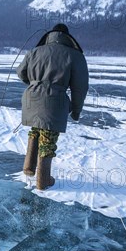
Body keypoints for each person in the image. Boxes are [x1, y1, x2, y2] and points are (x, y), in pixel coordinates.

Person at [16, 24, 89, 190]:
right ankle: (43, 180)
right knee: (48, 137)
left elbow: (21, 72)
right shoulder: (75, 55)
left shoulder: (35, 51)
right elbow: (80, 87)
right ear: (68, 37)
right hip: (54, 100)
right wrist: (76, 110)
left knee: (36, 129)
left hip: (31, 98)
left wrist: (34, 85)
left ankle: (28, 167)